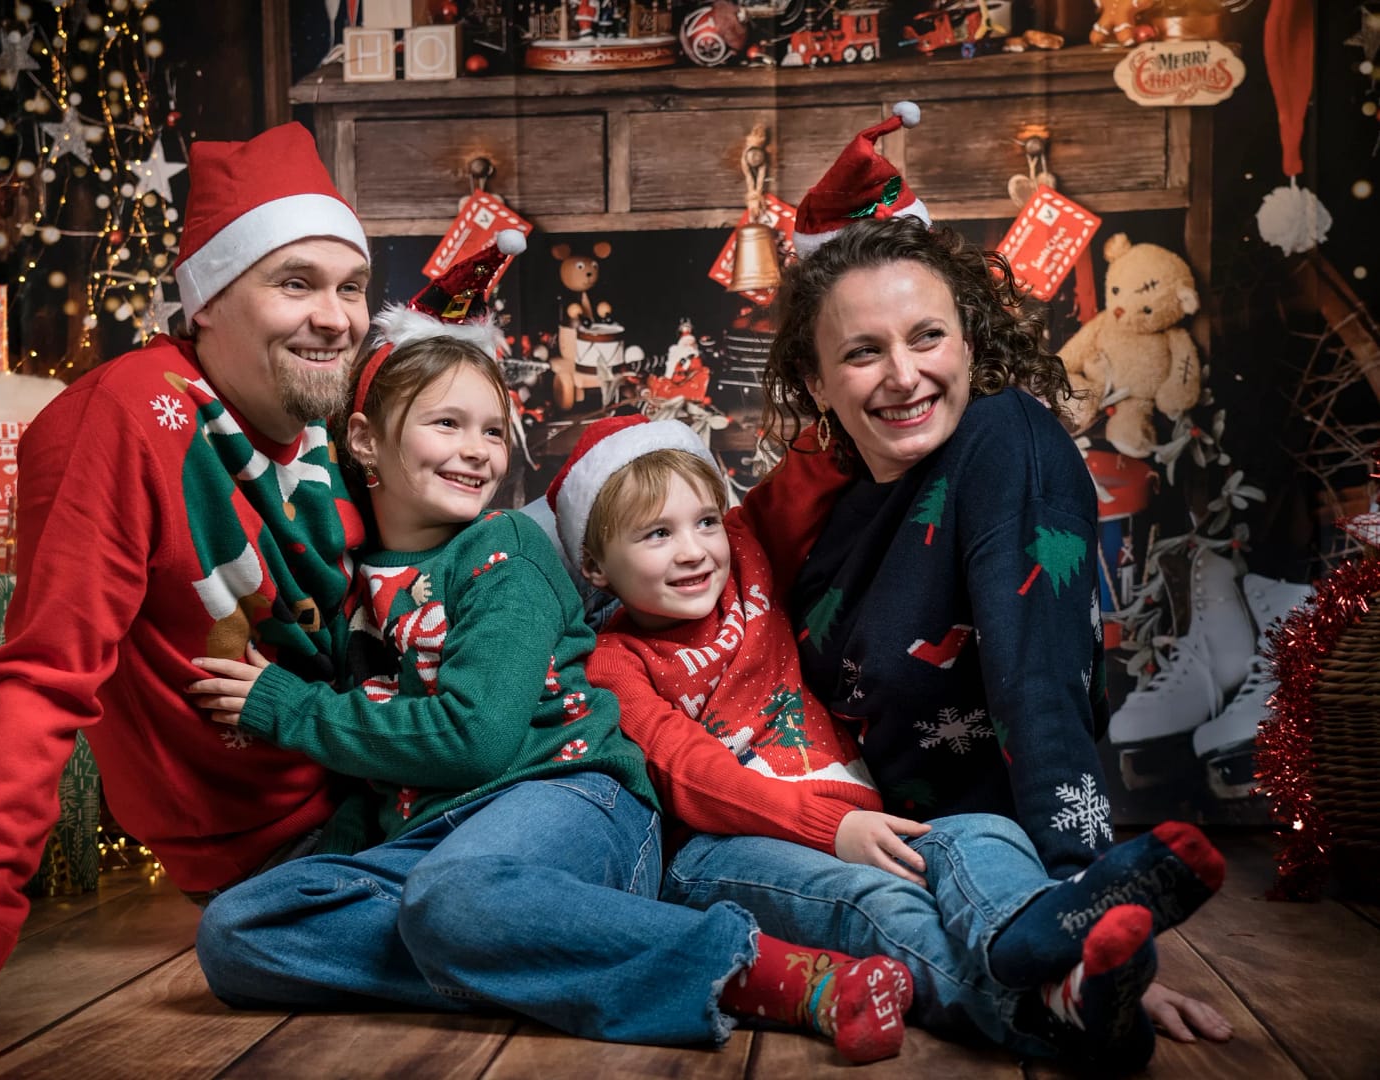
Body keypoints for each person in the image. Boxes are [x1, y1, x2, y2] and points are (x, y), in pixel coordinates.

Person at [0, 122, 377, 1043]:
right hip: (296, 846)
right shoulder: (120, 422)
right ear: (206, 301)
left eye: (352, 286)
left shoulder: (337, 424)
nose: (336, 315)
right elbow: (43, 680)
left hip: (398, 774)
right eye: (295, 283)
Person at [184, 306, 914, 1062]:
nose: (477, 453)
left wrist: (290, 709)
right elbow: (369, 770)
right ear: (365, 438)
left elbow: (475, 739)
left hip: (567, 799)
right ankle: (541, 950)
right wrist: (338, 860)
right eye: (447, 425)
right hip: (435, 840)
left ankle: (773, 974)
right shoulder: (352, 583)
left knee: (453, 899)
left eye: (493, 431)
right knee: (238, 932)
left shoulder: (503, 553)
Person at [727, 116, 1233, 1050]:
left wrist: (1078, 889)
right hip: (848, 837)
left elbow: (1038, 683)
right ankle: (1059, 992)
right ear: (815, 376)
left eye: (927, 337)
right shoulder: (817, 508)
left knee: (964, 848)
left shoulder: (1006, 441)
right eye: (862, 351)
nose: (904, 375)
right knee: (705, 871)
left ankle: (1052, 951)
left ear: (969, 337)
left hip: (985, 845)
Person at [547, 414, 1225, 1070]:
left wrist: (892, 372)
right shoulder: (613, 661)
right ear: (597, 566)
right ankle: (1038, 1011)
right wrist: (831, 828)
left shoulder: (747, 558)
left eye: (703, 522)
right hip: (722, 850)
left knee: (982, 832)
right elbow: (688, 772)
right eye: (656, 534)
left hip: (858, 821)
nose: (693, 550)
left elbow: (815, 459)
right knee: (876, 906)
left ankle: (1044, 946)